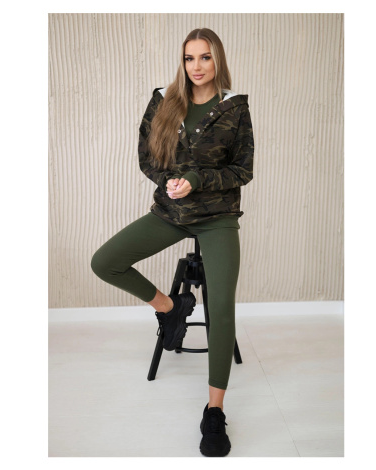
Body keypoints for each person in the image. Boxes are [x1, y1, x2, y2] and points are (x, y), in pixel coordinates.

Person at [91, 27, 254, 457]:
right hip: (171, 213)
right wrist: (170, 182)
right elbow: (147, 156)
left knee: (221, 305)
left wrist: (197, 179)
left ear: (218, 59)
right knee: (105, 261)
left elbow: (243, 170)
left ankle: (214, 411)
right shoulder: (164, 101)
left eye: (205, 57)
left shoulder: (235, 107)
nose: (196, 66)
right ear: (182, 62)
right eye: (189, 58)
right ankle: (170, 307)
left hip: (217, 219)